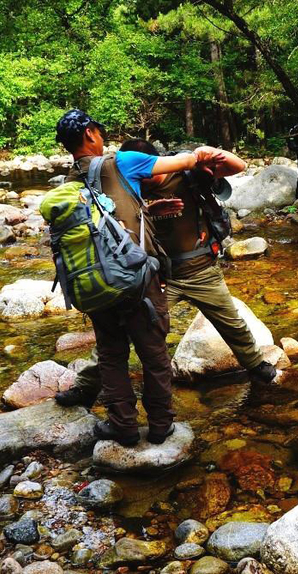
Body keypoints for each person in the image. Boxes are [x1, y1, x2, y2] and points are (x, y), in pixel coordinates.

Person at [59, 139, 282, 429]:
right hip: (159, 279)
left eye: (145, 170)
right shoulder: (129, 185)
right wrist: (150, 212)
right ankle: (86, 386)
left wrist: (209, 153)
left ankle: (256, 366)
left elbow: (236, 167)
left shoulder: (187, 175)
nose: (142, 177)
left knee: (233, 324)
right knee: (121, 335)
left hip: (202, 271)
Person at [52, 109, 220, 446]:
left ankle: (123, 426)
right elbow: (182, 162)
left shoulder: (67, 186)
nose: (101, 136)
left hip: (97, 283)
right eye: (98, 131)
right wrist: (199, 156)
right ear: (89, 135)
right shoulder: (123, 162)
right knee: (154, 353)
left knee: (112, 355)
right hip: (139, 279)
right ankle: (160, 425)